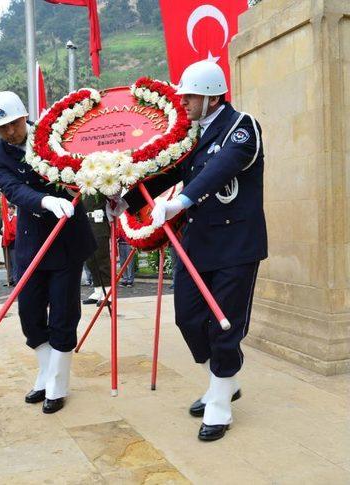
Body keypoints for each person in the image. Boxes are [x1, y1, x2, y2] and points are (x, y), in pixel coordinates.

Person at [108, 61, 267, 441]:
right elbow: (169, 171)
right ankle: (224, 380)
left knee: (224, 324)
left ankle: (220, 402)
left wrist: (182, 202)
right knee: (189, 320)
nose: (185, 102)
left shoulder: (242, 126)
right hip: (197, 244)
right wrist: (128, 201)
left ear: (212, 97)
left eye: (191, 96)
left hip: (235, 245)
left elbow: (225, 166)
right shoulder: (192, 135)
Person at [0, 91, 96, 414]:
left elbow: (83, 164)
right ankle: (46, 372)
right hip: (32, 243)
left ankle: (58, 384)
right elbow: (14, 189)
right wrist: (45, 201)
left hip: (66, 239)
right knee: (30, 317)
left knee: (63, 315)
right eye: (1, 128)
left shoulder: (55, 134)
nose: (8, 133)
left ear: (24, 117)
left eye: (13, 124)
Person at [81, 197, 111, 306]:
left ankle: (108, 292)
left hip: (99, 223)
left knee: (101, 258)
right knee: (90, 260)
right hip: (86, 222)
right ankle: (98, 290)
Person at [0, 202, 17, 286]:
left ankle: (16, 279)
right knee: (7, 262)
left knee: (14, 261)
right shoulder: (3, 219)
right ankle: (9, 279)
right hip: (5, 242)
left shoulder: (16, 218)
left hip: (13, 242)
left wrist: (9, 232)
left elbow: (16, 230)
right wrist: (3, 231)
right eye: (9, 208)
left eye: (12, 209)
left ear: (14, 210)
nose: (10, 210)